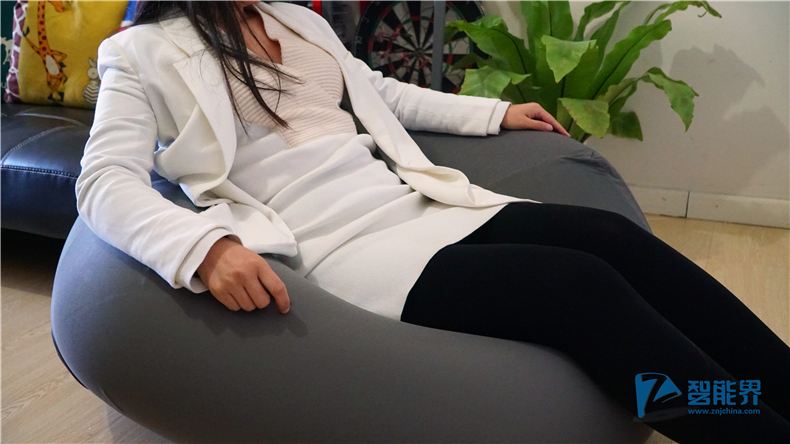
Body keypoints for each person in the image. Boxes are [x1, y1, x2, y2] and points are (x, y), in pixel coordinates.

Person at [77, 1, 790, 443]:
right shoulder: (139, 52)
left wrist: (495, 112)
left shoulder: (296, 19)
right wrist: (202, 250)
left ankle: (775, 389)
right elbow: (104, 180)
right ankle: (754, 432)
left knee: (613, 239)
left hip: (409, 201)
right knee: (578, 287)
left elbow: (377, 92)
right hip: (337, 245)